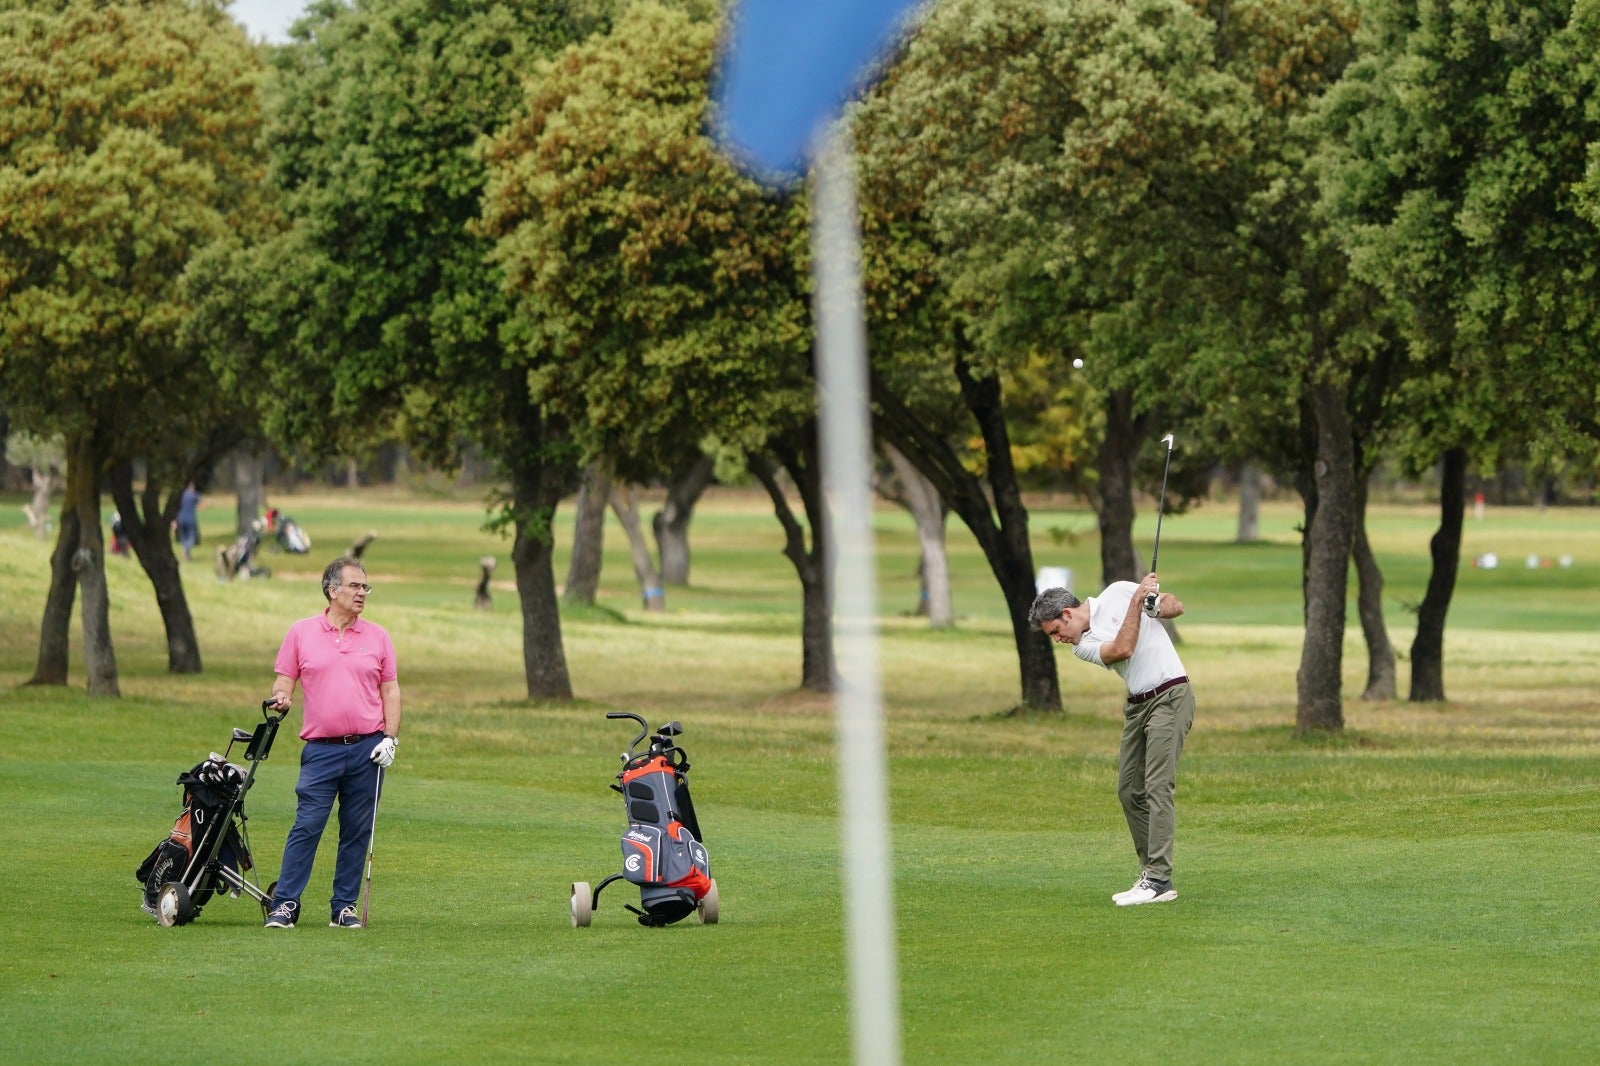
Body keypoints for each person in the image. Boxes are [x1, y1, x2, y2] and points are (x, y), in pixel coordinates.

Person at [1029, 571, 1193, 907]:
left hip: (1171, 695)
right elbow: (1123, 648)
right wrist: (1138, 603)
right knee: (1128, 790)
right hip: (1137, 707)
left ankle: (1159, 879)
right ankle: (1151, 875)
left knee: (1157, 785)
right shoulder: (1083, 647)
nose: (1059, 639)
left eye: (1056, 632)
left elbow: (1176, 606)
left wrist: (1154, 607)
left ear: (1067, 614)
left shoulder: (1118, 592)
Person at [263, 556, 402, 929]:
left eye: (365, 587)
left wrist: (391, 737)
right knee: (307, 825)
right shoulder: (301, 632)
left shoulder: (378, 637)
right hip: (321, 750)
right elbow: (283, 678)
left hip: (367, 748)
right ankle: (285, 904)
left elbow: (389, 689)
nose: (362, 593)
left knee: (356, 830)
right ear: (332, 590)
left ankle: (343, 907)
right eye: (355, 586)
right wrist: (282, 697)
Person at [175, 481, 201, 561]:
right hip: (190, 519)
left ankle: (187, 556)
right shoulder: (194, 495)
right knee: (192, 538)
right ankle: (185, 550)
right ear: (192, 486)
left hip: (180, 518)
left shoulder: (181, 495)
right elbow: (199, 506)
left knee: (184, 537)